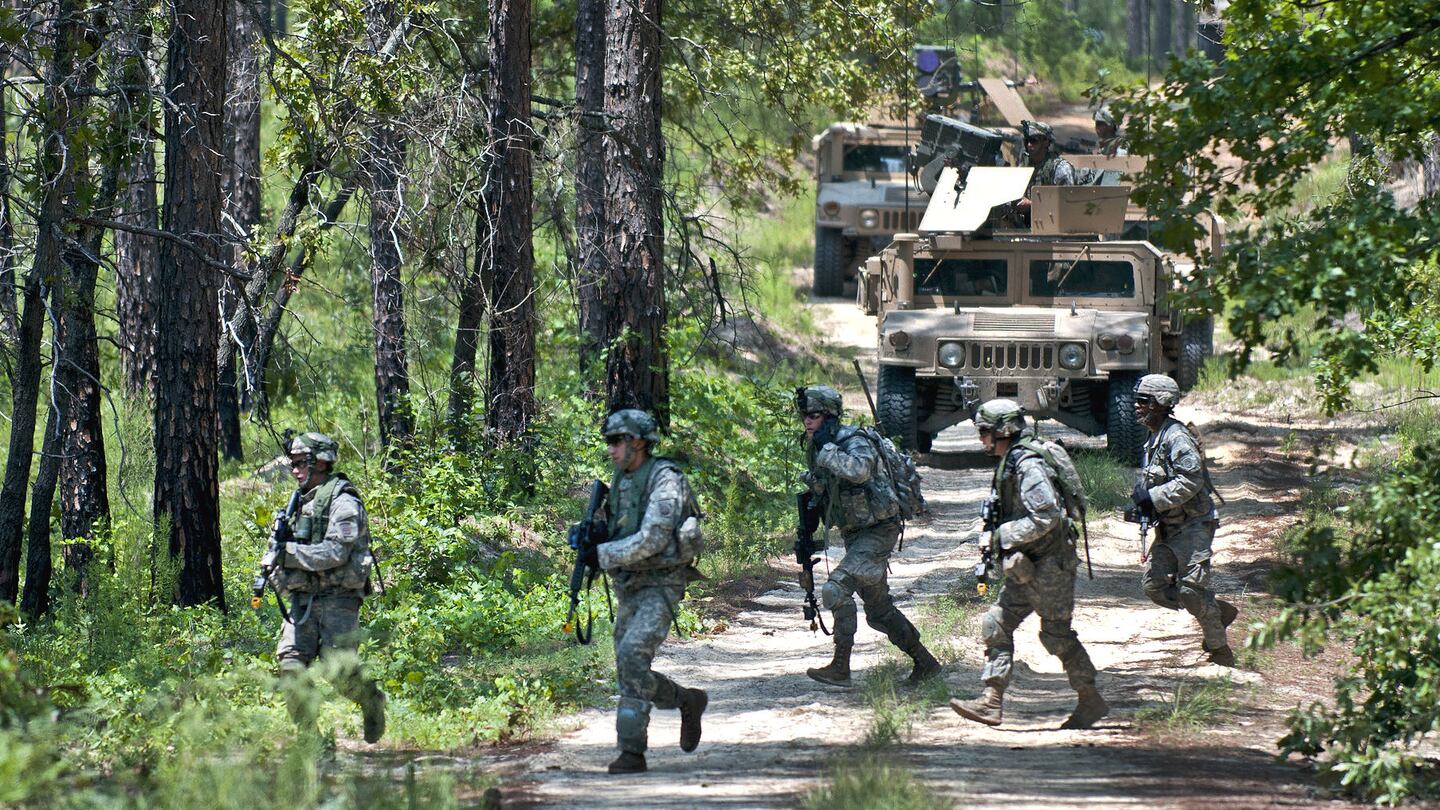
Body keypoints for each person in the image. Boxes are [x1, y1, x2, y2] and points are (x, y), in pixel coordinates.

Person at [950, 400, 1107, 729]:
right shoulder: (1011, 460)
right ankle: (991, 701)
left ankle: (1090, 698)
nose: (981, 439)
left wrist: (1002, 535)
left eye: (984, 432)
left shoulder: (1028, 465)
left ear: (1003, 431)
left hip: (1051, 565)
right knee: (996, 623)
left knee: (1055, 636)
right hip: (1027, 564)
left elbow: (1047, 516)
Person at [797, 385, 940, 688]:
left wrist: (826, 451)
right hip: (855, 533)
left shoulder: (853, 440)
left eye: (814, 415)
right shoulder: (818, 445)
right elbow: (828, 487)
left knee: (835, 590)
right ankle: (926, 663)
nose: (807, 421)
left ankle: (840, 668)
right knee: (878, 611)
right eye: (804, 415)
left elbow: (860, 470)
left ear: (829, 416)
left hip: (879, 530)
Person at [590, 408, 708, 775]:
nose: (610, 449)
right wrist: (590, 536)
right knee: (630, 667)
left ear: (637, 442)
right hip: (629, 583)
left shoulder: (665, 479)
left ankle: (632, 752)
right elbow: (618, 526)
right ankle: (686, 700)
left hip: (662, 583)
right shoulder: (622, 479)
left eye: (616, 441)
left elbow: (654, 538)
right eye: (609, 442)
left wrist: (603, 554)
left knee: (631, 655)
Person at [267, 431, 385, 743]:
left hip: (338, 599)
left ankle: (372, 701)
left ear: (320, 463)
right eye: (292, 464)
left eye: (300, 463)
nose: (294, 470)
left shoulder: (344, 502)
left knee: (340, 675)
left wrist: (288, 554)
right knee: (290, 667)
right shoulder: (298, 503)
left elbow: (335, 553)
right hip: (303, 600)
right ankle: (312, 739)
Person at [1130, 374, 1239, 666]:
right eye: (1137, 400)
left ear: (1161, 403)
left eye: (1144, 401)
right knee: (1154, 587)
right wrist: (1144, 506)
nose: (1137, 406)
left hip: (1194, 525)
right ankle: (1215, 611)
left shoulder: (1176, 437)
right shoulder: (1155, 437)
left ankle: (1220, 651)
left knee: (1191, 591)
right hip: (1170, 526)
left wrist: (1153, 497)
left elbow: (1190, 480)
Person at [1012, 120, 1076, 221]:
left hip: (1052, 222)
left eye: (1034, 141)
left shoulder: (1060, 168)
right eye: (1027, 141)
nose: (1029, 145)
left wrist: (1032, 204)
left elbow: (1068, 202)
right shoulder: (1024, 166)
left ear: (1046, 142)